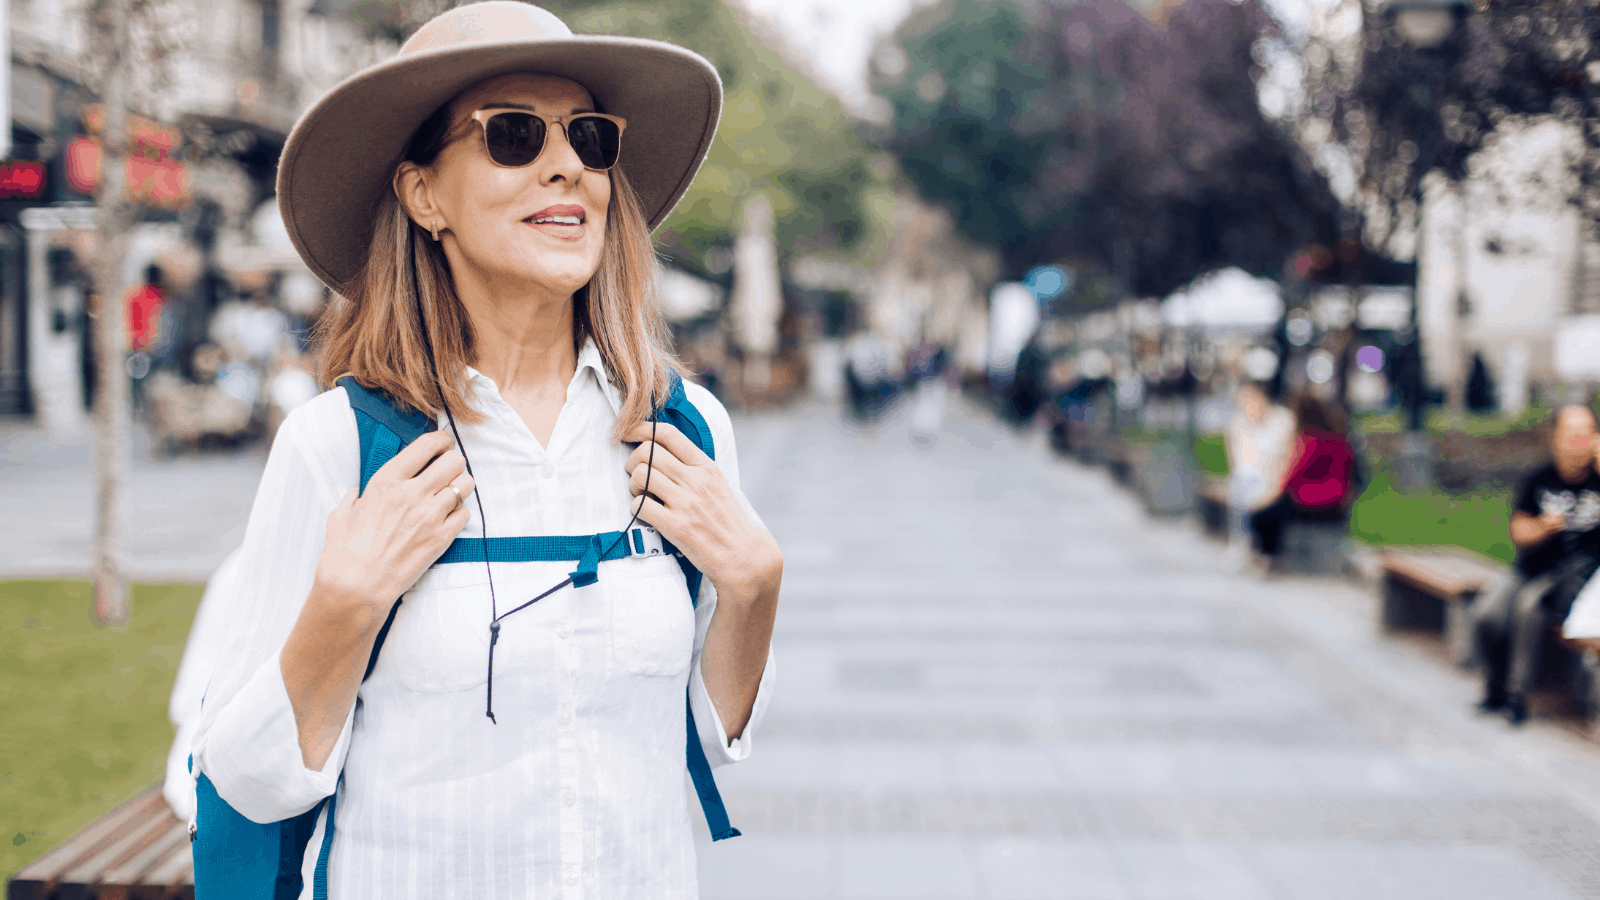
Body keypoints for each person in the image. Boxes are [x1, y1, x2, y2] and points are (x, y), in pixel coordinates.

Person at [190, 4, 782, 896]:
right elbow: (246, 777)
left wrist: (754, 591)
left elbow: (700, 747)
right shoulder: (338, 448)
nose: (567, 166)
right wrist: (341, 608)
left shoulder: (684, 429)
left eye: (589, 137)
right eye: (513, 135)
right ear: (424, 194)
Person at [1473, 405, 1600, 725]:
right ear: (1555, 439)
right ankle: (1495, 688)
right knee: (1487, 613)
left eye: (1587, 436)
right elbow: (1518, 531)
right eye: (1573, 436)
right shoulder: (1539, 479)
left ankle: (1518, 697)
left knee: (1529, 607)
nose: (1580, 444)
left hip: (1576, 579)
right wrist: (1545, 526)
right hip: (1530, 568)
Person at [1248, 392, 1356, 565]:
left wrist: (1266, 498)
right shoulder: (1340, 440)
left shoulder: (1306, 441)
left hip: (1306, 502)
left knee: (1262, 515)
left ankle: (1271, 557)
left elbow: (1291, 478)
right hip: (1337, 504)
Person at [1223, 382, 1295, 570]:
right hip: (1245, 478)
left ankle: (1247, 545)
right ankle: (1242, 543)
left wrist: (1273, 485)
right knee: (1241, 487)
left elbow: (1284, 456)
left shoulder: (1282, 420)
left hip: (1271, 479)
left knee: (1251, 494)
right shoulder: (1238, 423)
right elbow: (1236, 456)